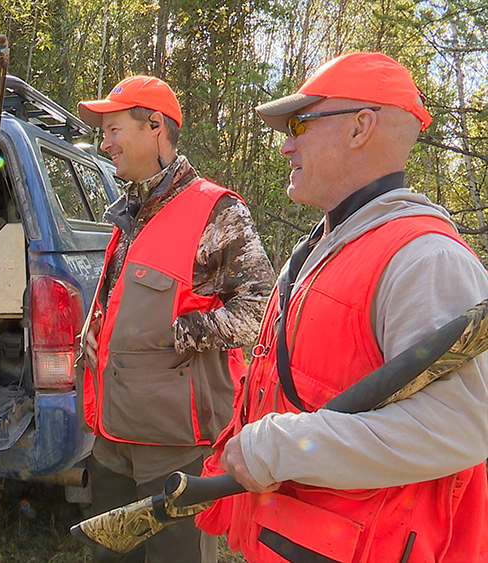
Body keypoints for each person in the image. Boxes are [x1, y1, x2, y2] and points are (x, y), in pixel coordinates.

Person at [197, 53, 488, 562]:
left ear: (360, 128)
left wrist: (281, 447)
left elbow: (460, 426)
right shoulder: (319, 251)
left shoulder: (425, 259)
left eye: (300, 125)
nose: (285, 145)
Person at [76, 75, 275, 562]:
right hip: (112, 438)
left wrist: (176, 334)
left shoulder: (216, 210)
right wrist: (95, 326)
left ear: (155, 126)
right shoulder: (131, 211)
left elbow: (260, 309)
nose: (105, 144)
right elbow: (129, 299)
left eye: (114, 130)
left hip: (175, 447)